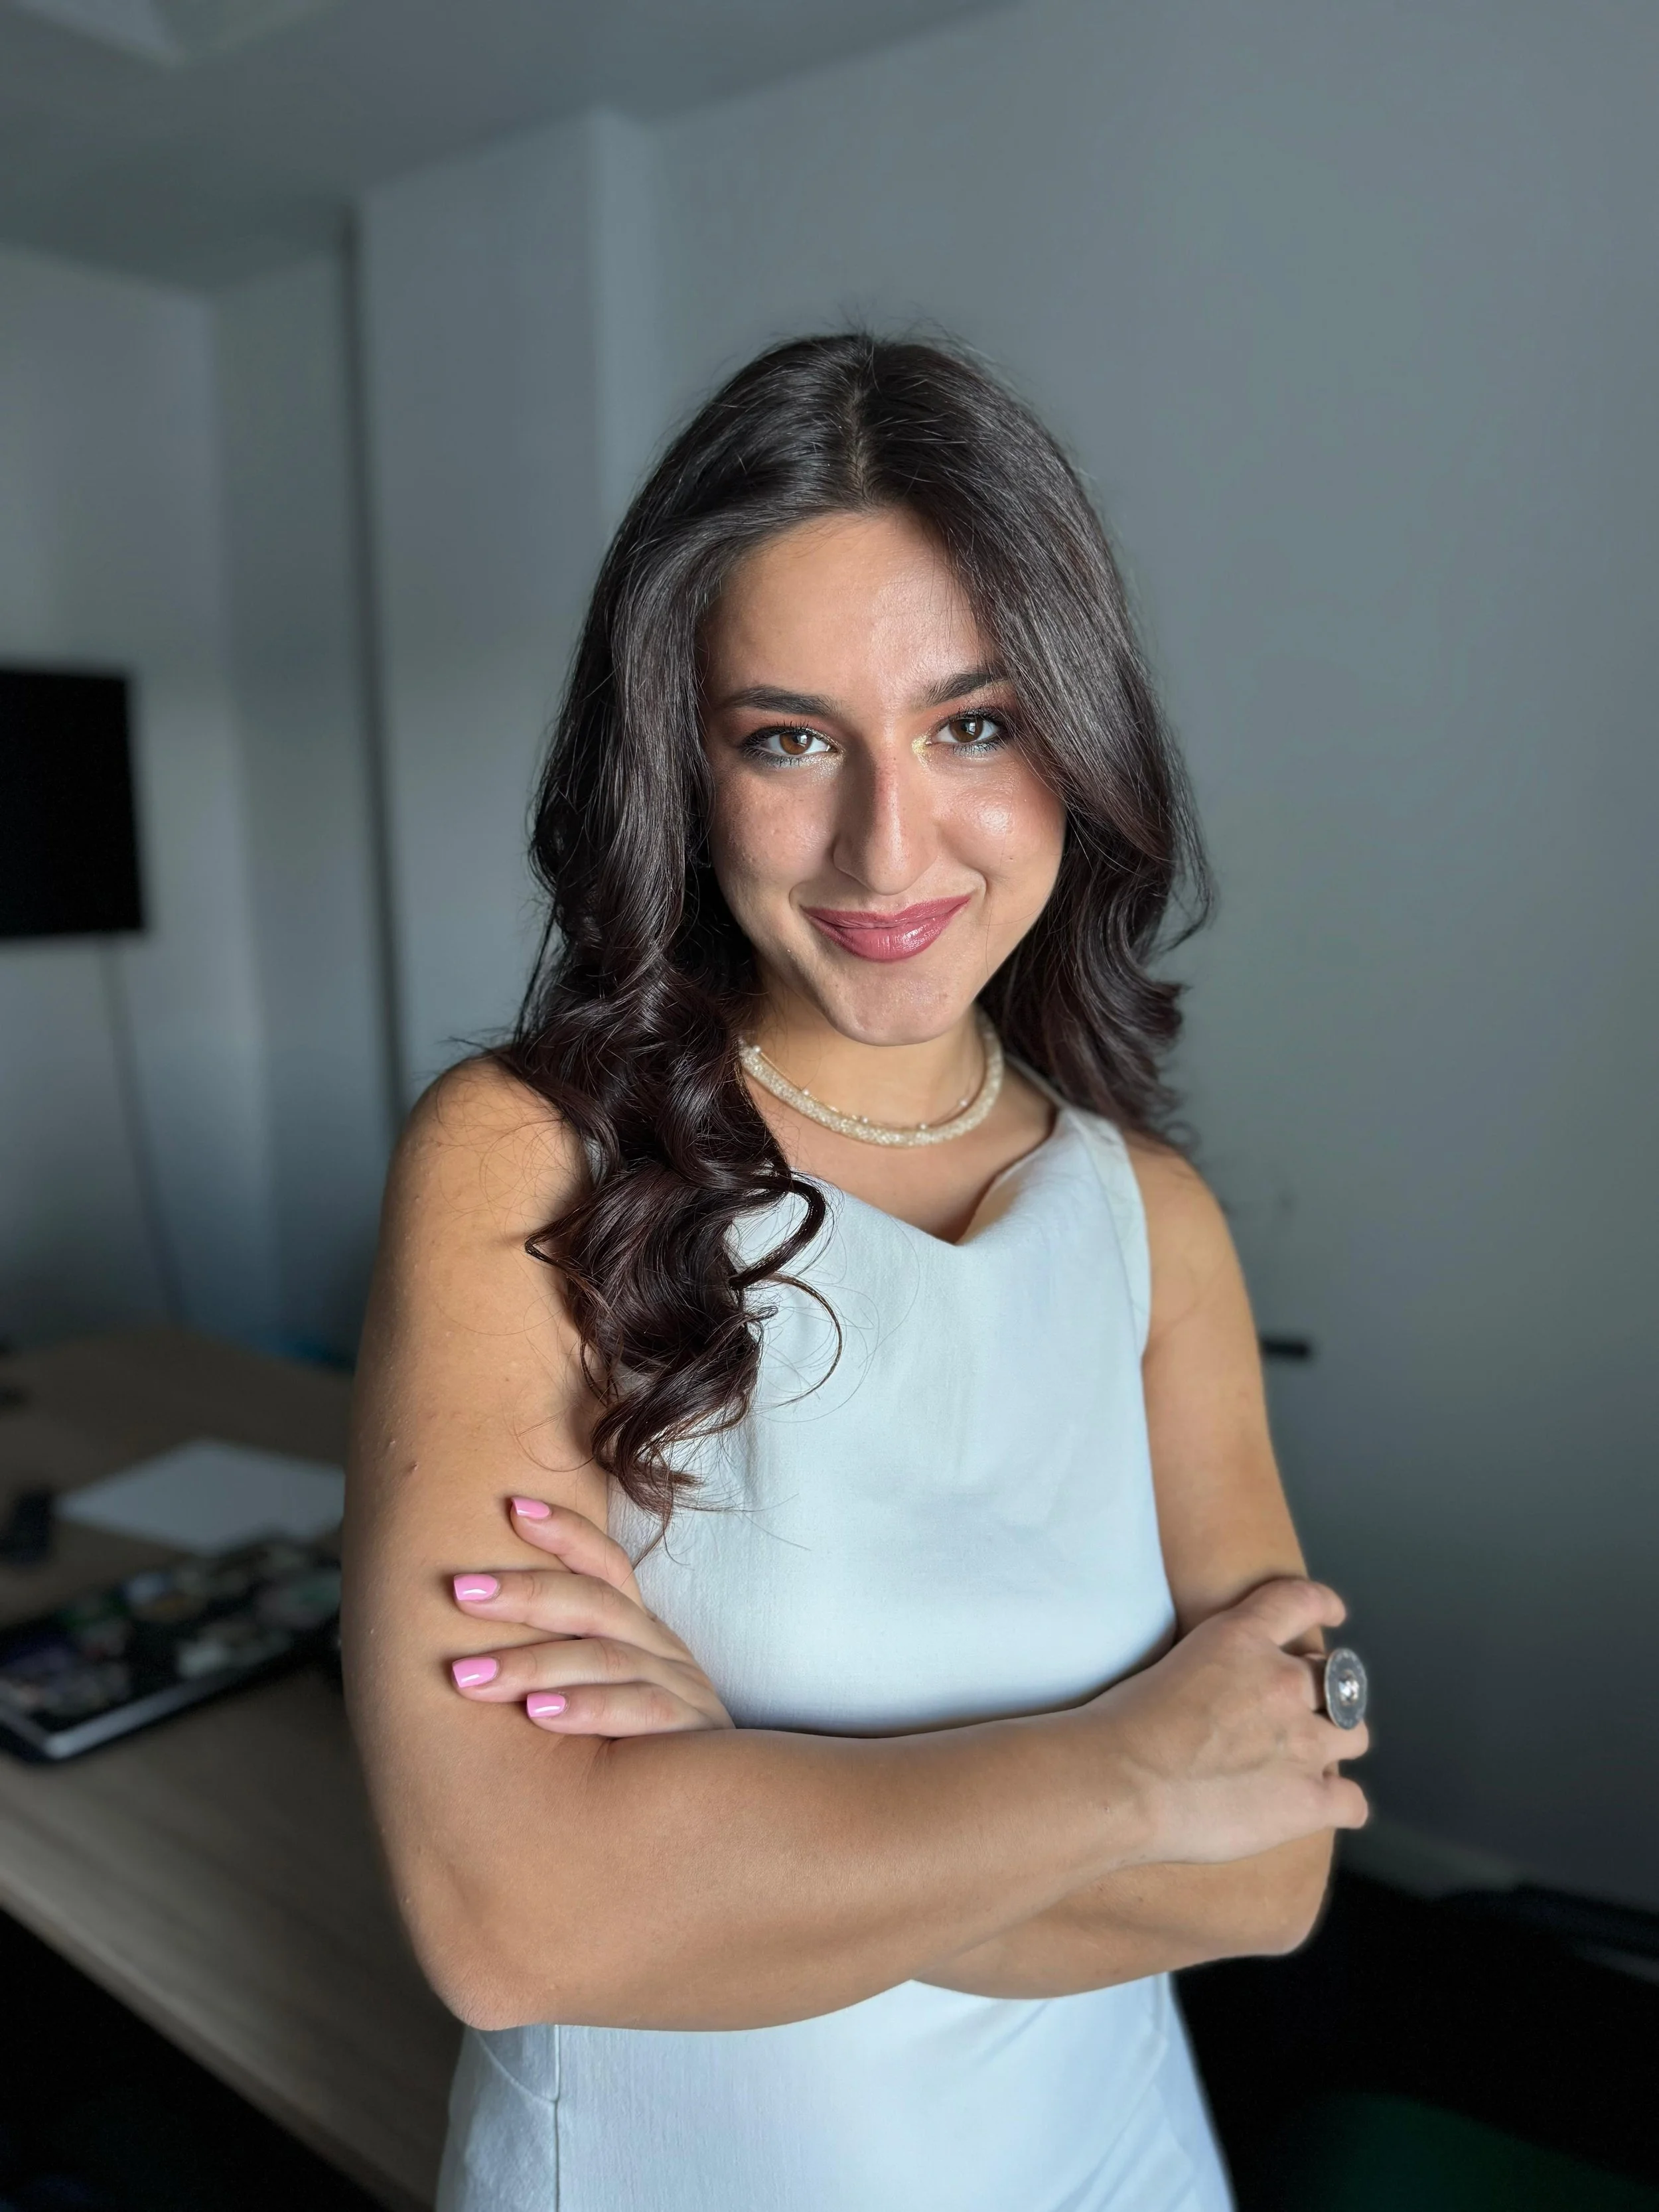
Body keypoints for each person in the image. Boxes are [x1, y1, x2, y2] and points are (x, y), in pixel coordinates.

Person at [343, 333, 1370, 2212]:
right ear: (681, 762)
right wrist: (1139, 1771)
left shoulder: (1153, 1223)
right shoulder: (526, 1158)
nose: (886, 846)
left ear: (1079, 742)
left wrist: (734, 1814)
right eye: (788, 737)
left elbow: (1271, 1873)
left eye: (973, 724)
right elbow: (517, 1915)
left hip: (1113, 2164)